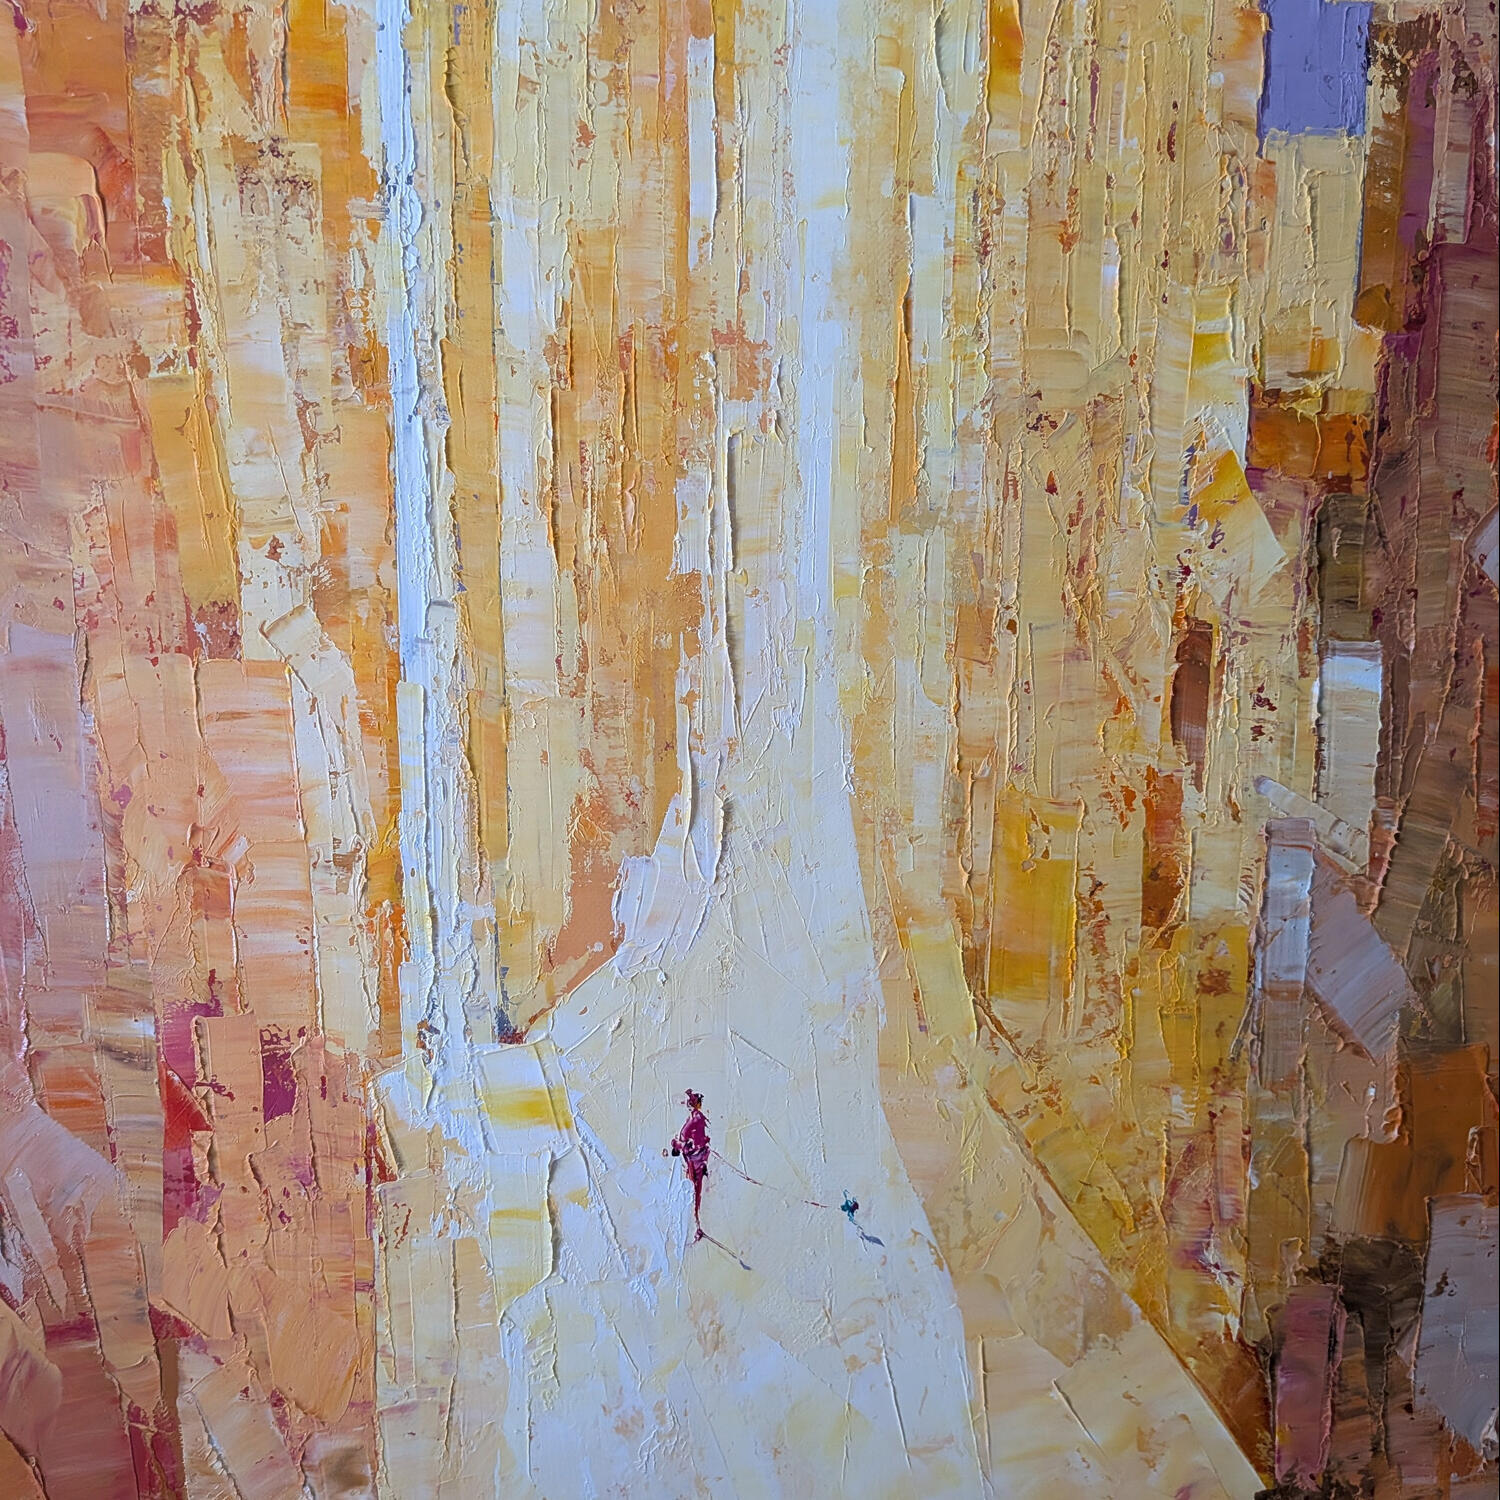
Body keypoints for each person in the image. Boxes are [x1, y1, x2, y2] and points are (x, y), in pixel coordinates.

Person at [669, 1090, 711, 1241]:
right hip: (696, 1159)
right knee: (695, 1192)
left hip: (695, 1161)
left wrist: (676, 1144)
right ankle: (695, 1225)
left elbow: (688, 1141)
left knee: (694, 1193)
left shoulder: (695, 1119)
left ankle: (696, 1226)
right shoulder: (697, 1118)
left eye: (690, 1102)